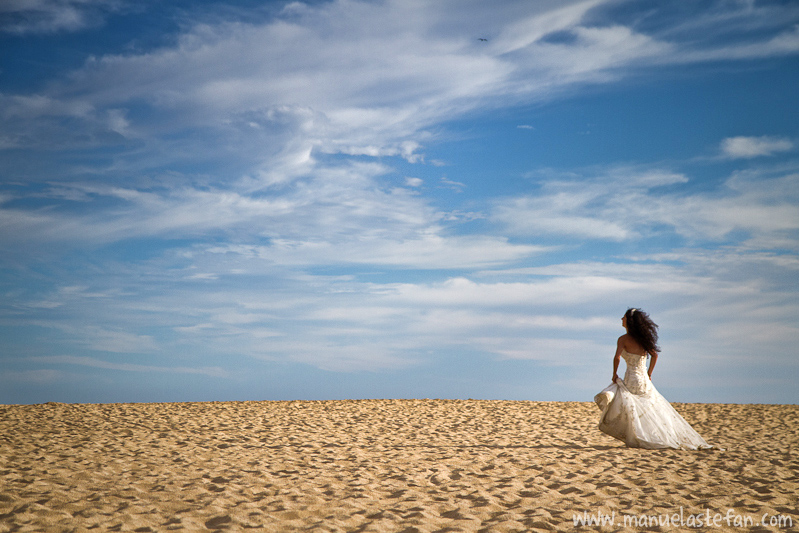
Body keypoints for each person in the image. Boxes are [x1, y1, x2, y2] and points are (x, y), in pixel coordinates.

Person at [594, 308, 713, 450]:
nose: (621, 319)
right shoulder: (643, 339)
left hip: (632, 378)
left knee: (633, 409)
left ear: (629, 321)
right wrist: (649, 373)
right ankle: (649, 436)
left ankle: (640, 438)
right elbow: (655, 355)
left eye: (623, 317)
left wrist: (614, 374)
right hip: (644, 379)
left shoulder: (623, 339)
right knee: (650, 409)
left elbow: (617, 357)